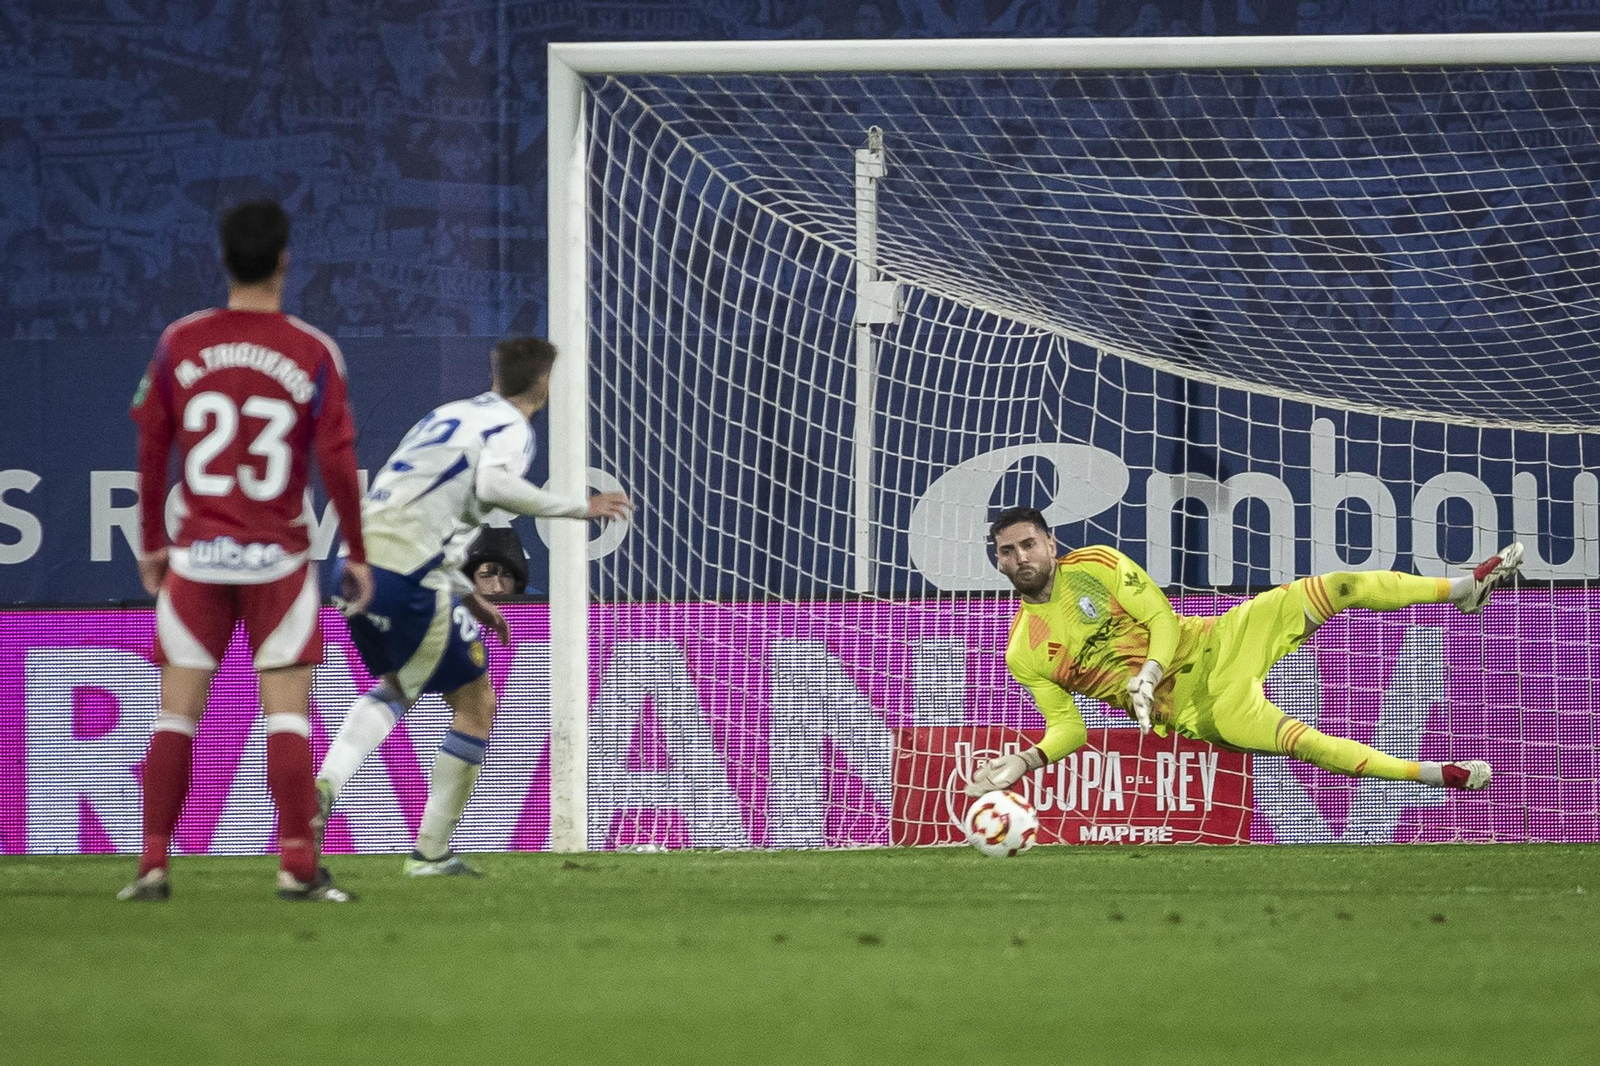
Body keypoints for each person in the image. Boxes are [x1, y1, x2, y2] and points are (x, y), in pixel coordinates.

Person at [120, 200, 373, 902]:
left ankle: (151, 864)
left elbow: (151, 447)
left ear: (224, 258)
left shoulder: (179, 342)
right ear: (286, 258)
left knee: (176, 714)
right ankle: (296, 864)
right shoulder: (313, 351)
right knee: (286, 714)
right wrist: (356, 550)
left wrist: (151, 542)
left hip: (197, 557)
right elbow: (338, 460)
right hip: (278, 562)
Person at [315, 336, 631, 876]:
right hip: (406, 573)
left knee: (407, 685)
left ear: (495, 374)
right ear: (543, 384)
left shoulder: (451, 414)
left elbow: (430, 506)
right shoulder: (512, 428)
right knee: (464, 698)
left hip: (355, 563)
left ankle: (339, 799)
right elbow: (492, 484)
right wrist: (580, 507)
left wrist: (466, 596)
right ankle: (417, 846)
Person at [966, 507, 1522, 799]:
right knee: (1304, 744)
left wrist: (1149, 668)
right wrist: (1025, 760)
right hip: (1198, 708)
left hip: (1218, 639)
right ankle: (1428, 775)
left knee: (1334, 586)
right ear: (998, 562)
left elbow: (1160, 617)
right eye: (1008, 551)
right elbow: (1071, 730)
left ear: (1051, 545)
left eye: (1029, 544)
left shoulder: (1095, 566)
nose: (1021, 556)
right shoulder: (1025, 651)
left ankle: (1462, 588)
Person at [462, 526, 529, 597]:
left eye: (507, 576)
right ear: (469, 580)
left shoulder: (536, 606)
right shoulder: (452, 605)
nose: (498, 588)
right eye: (486, 576)